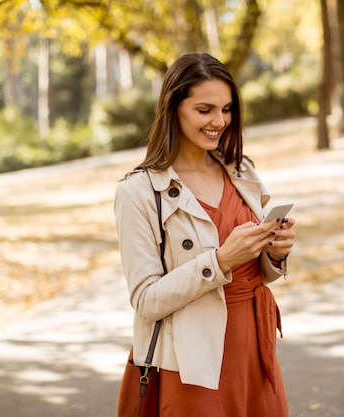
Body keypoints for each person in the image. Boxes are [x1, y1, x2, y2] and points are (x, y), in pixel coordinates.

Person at [113, 52, 295, 416]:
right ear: (173, 107)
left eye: (226, 109)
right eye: (205, 110)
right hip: (192, 356)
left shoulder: (240, 170)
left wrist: (274, 253)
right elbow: (146, 300)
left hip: (254, 345)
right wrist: (222, 259)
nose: (219, 121)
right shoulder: (138, 191)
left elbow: (254, 270)